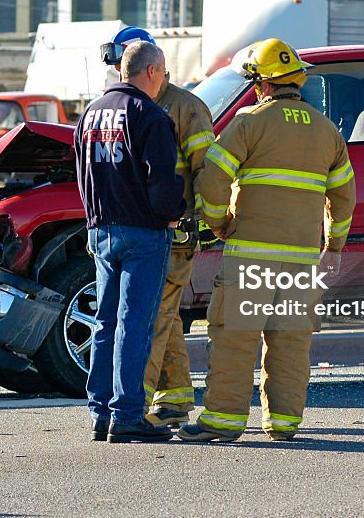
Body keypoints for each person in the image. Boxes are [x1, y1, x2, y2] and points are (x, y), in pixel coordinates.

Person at [178, 38, 356, 442]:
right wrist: (335, 246)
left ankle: (222, 422)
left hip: (250, 256)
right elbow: (344, 195)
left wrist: (219, 223)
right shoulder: (328, 132)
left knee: (235, 337)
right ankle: (284, 423)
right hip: (302, 260)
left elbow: (212, 178)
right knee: (291, 340)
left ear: (263, 85)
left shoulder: (248, 122)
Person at [100, 26, 215, 427]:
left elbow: (207, 171)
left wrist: (200, 223)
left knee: (151, 317)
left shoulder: (185, 107)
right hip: (139, 230)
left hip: (174, 232)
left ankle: (136, 409)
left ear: (153, 67)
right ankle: (177, 399)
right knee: (160, 315)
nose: (120, 74)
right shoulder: (125, 106)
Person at [75, 40, 187, 444]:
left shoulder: (90, 113)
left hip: (101, 230)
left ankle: (99, 413)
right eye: (164, 74)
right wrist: (176, 209)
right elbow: (162, 185)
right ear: (152, 72)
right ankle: (126, 416)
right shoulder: (150, 115)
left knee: (105, 323)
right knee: (134, 325)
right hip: (144, 233)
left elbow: (82, 174)